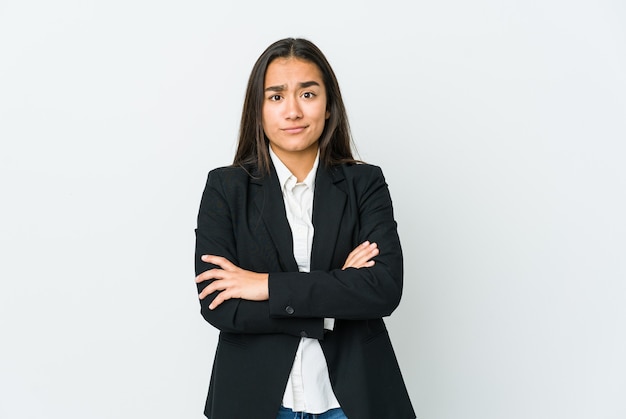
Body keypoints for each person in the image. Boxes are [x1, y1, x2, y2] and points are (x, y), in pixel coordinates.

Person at [194, 37, 415, 419]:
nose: (293, 111)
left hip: (353, 400)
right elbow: (220, 306)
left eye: (308, 94)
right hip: (254, 400)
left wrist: (265, 286)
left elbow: (383, 289)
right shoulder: (225, 188)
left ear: (328, 106)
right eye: (276, 97)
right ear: (258, 110)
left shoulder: (364, 183)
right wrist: (336, 292)